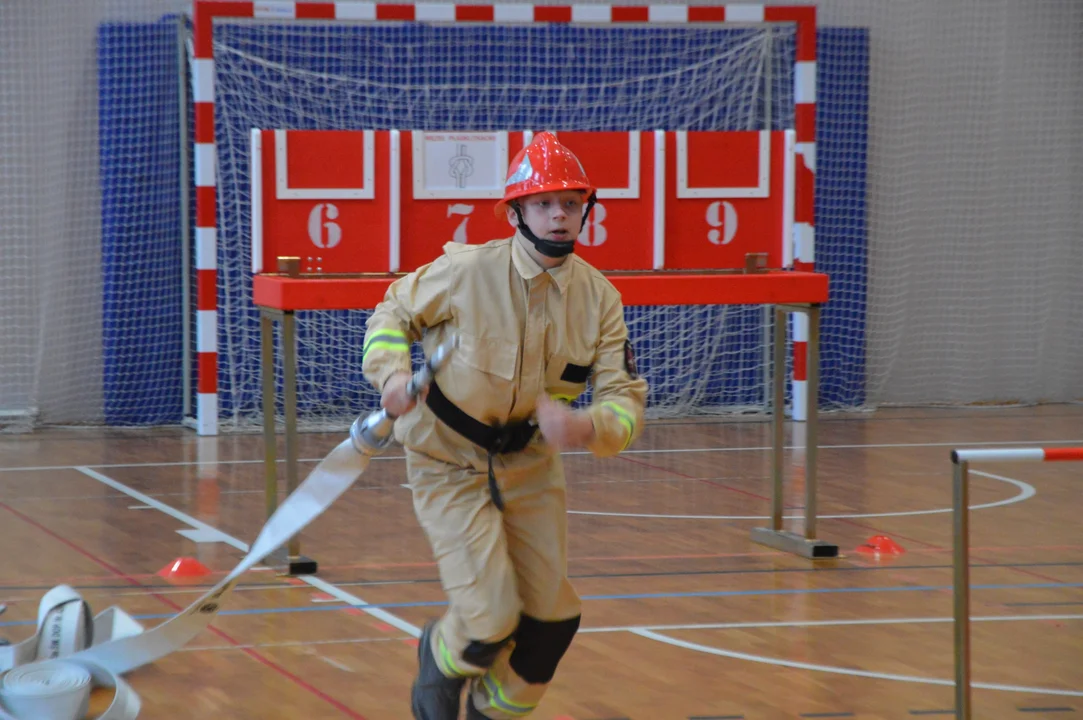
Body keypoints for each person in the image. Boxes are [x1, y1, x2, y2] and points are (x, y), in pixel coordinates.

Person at [361, 131, 648, 720]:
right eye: (545, 203)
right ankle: (440, 657)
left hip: (531, 465)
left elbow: (625, 400)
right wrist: (392, 377)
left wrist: (588, 428)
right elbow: (393, 310)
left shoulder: (601, 299)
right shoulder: (466, 271)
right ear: (516, 211)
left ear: (586, 210)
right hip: (448, 460)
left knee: (552, 624)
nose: (560, 215)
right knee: (490, 619)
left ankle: (492, 711)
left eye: (571, 202)